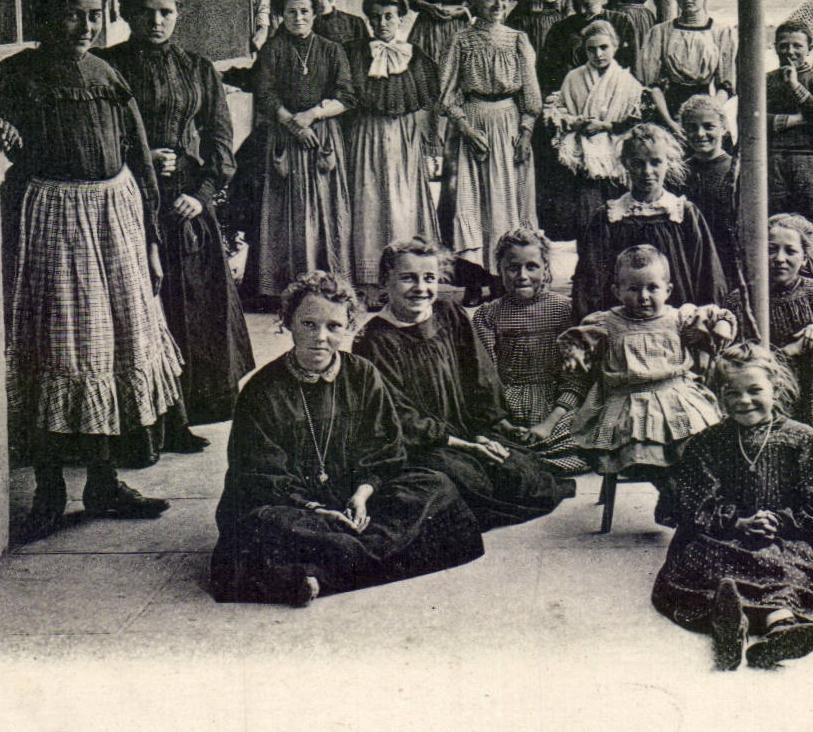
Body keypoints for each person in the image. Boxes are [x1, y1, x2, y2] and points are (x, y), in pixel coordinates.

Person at [0, 0, 186, 540]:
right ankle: (52, 488)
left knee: (113, 346)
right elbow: (1, 144)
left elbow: (139, 160)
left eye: (95, 15)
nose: (85, 27)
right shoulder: (17, 77)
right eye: (73, 15)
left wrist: (151, 240)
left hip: (117, 221)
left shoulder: (107, 76)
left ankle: (103, 481)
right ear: (45, 17)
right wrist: (0, 131)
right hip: (56, 222)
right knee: (63, 350)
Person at [209, 272, 484, 606]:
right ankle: (355, 563)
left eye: (334, 326)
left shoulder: (363, 374)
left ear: (349, 326)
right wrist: (316, 509)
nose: (320, 338)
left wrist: (363, 492)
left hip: (353, 499)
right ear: (287, 322)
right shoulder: (262, 390)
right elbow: (259, 476)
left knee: (436, 488)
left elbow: (385, 450)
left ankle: (318, 574)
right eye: (308, 324)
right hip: (292, 505)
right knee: (258, 529)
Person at [97, 0, 253, 433]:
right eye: (145, 13)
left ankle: (199, 403)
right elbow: (101, 135)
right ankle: (152, 412)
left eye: (166, 12)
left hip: (186, 200)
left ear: (178, 14)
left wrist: (201, 195)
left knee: (197, 299)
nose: (157, 21)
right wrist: (141, 156)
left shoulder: (198, 68)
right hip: (131, 199)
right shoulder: (109, 67)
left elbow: (222, 142)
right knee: (144, 299)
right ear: (124, 14)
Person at [351, 238, 575, 531]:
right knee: (464, 482)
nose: (421, 288)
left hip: (467, 428)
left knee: (521, 474)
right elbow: (398, 416)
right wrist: (465, 445)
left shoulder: (449, 313)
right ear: (385, 281)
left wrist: (495, 427)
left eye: (429, 278)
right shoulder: (373, 340)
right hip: (423, 442)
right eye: (408, 278)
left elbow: (479, 376)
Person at [652, 343, 813, 671]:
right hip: (725, 535)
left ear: (776, 388)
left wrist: (778, 522)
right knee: (705, 558)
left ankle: (780, 626)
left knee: (784, 562)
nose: (744, 401)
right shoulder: (707, 443)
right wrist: (737, 522)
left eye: (755, 390)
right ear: (719, 396)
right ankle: (731, 622)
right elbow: (694, 504)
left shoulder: (803, 439)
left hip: (788, 535)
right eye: (732, 393)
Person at [562, 245, 734, 476]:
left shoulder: (678, 318)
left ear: (668, 290)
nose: (643, 297)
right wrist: (576, 354)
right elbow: (578, 340)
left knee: (696, 448)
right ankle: (662, 482)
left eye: (653, 288)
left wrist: (721, 324)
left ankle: (682, 485)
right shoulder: (607, 322)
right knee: (641, 452)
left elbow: (718, 314)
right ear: (617, 291)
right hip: (627, 400)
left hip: (675, 395)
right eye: (633, 289)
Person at [726, 214, 813, 462]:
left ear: (804, 258)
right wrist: (793, 349)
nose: (780, 259)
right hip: (767, 397)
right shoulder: (741, 301)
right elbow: (733, 365)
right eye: (771, 249)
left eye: (790, 251)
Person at [438, 0, 543, 283]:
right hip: (474, 124)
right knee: (472, 199)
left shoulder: (518, 40)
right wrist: (465, 128)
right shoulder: (461, 41)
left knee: (508, 198)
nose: (499, 6)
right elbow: (445, 94)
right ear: (473, 2)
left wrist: (525, 133)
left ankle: (506, 275)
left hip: (510, 123)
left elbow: (531, 95)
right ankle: (473, 275)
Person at [255, 0, 355, 296]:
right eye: (291, 12)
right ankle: (288, 286)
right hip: (285, 135)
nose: (298, 18)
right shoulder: (273, 49)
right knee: (287, 209)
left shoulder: (330, 49)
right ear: (280, 15)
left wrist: (312, 116)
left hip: (322, 136)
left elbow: (347, 95)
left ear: (314, 14)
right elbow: (265, 94)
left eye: (304, 12)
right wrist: (293, 123)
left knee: (327, 206)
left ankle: (329, 281)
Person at [573, 123, 729, 316]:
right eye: (638, 163)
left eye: (655, 162)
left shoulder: (683, 214)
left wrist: (704, 321)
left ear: (668, 162)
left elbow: (709, 276)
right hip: (621, 324)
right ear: (625, 163)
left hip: (677, 320)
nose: (647, 171)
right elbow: (589, 281)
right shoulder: (609, 217)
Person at [343, 0, 440, 298]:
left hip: (404, 136)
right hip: (365, 134)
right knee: (368, 201)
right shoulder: (353, 53)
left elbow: (427, 102)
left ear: (401, 19)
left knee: (402, 203)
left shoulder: (416, 55)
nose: (382, 22)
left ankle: (407, 276)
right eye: (375, 16)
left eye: (389, 16)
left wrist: (429, 146)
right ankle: (370, 281)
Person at [472, 228, 590, 476]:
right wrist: (502, 422)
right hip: (506, 406)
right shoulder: (487, 315)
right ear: (499, 270)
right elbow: (484, 376)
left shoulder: (565, 310)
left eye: (532, 267)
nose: (522, 276)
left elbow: (575, 376)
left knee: (584, 436)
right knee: (483, 440)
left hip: (555, 405)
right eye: (513, 268)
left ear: (545, 268)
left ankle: (527, 464)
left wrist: (549, 424)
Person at [543, 18, 647, 240]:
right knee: (586, 217)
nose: (598, 54)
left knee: (616, 214)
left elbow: (634, 119)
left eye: (604, 47)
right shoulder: (573, 78)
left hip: (614, 154)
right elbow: (559, 111)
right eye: (591, 49)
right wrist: (575, 122)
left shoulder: (627, 82)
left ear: (615, 47)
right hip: (583, 155)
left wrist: (606, 125)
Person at [639, 0, 737, 121]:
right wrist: (670, 122)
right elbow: (653, 85)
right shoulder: (659, 32)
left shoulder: (721, 32)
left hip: (707, 109)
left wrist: (708, 111)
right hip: (668, 110)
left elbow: (725, 85)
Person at [764, 19, 813, 228]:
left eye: (797, 46)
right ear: (775, 47)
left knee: (810, 220)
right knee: (775, 219)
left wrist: (795, 85)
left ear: (809, 48)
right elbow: (753, 119)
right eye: (783, 45)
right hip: (773, 156)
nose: (790, 51)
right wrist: (799, 119)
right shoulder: (766, 80)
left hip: (810, 157)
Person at [535, 0, 639, 98]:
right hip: (573, 93)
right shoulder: (560, 28)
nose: (582, 11)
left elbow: (632, 65)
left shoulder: (621, 22)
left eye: (587, 5)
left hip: (612, 92)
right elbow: (547, 71)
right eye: (576, 5)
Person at [680, 94, 741, 290]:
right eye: (692, 127)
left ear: (723, 128)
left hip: (727, 260)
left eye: (708, 126)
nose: (700, 133)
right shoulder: (678, 173)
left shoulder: (736, 170)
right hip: (690, 260)